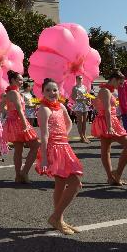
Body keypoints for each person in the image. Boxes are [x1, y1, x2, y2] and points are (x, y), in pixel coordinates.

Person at [37, 78, 84, 234]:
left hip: (64, 146)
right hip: (54, 149)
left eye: (54, 90)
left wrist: (63, 136)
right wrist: (44, 157)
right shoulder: (44, 109)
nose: (52, 93)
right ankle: (56, 217)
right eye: (48, 90)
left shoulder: (61, 106)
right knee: (76, 184)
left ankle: (59, 219)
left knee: (61, 183)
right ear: (42, 92)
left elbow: (69, 123)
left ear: (59, 91)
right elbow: (43, 134)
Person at [92, 71, 127, 186]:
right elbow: (107, 110)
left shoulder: (106, 90)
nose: (121, 85)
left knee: (106, 150)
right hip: (108, 122)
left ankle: (112, 177)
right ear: (114, 79)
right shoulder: (105, 91)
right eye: (120, 83)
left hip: (108, 121)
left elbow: (97, 104)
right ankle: (116, 174)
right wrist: (109, 126)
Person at [3, 71, 39, 184]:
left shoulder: (12, 92)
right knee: (35, 145)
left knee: (18, 150)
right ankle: (24, 172)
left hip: (14, 122)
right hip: (19, 122)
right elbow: (19, 110)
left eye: (21, 79)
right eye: (19, 79)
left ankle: (18, 176)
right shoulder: (14, 92)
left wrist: (9, 113)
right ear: (12, 80)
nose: (21, 81)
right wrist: (25, 125)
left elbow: (3, 106)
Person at [70, 75, 91, 143]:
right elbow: (73, 97)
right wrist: (80, 99)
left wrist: (89, 100)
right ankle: (81, 136)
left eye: (81, 78)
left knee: (85, 121)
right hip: (78, 104)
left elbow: (87, 95)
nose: (80, 79)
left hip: (84, 105)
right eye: (79, 78)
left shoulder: (84, 87)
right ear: (76, 79)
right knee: (80, 121)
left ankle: (84, 136)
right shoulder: (74, 88)